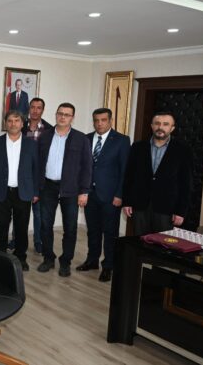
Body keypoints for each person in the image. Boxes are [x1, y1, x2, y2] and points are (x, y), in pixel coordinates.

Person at [37, 102, 92, 277]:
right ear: (56, 114)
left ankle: (65, 261)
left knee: (70, 227)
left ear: (72, 118)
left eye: (67, 115)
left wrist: (84, 191)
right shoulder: (44, 136)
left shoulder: (81, 139)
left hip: (71, 188)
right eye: (60, 113)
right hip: (47, 187)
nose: (63, 117)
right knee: (45, 225)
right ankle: (48, 258)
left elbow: (87, 167)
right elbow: (37, 163)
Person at [77, 108, 130, 282]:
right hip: (89, 194)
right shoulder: (86, 139)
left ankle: (108, 266)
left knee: (110, 232)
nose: (99, 123)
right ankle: (92, 260)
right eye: (96, 120)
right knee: (92, 230)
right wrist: (82, 191)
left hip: (110, 196)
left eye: (103, 120)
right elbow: (82, 167)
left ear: (110, 121)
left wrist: (120, 195)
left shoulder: (121, 140)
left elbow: (124, 171)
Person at [122, 112, 193, 235]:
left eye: (166, 124)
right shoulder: (138, 147)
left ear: (172, 128)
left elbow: (186, 183)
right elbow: (129, 176)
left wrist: (181, 211)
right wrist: (126, 202)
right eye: (157, 123)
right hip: (139, 206)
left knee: (162, 244)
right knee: (140, 241)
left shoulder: (183, 150)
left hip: (166, 208)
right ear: (152, 126)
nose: (160, 127)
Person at [0, 110, 39, 271]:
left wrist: (36, 192)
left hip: (23, 191)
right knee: (1, 226)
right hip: (1, 191)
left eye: (17, 121)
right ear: (5, 123)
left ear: (22, 124)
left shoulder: (32, 145)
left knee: (21, 227)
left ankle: (21, 258)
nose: (13, 124)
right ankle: (1, 257)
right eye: (10, 120)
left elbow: (37, 169)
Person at [18, 97, 53, 254]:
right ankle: (17, 240)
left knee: (39, 214)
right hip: (22, 176)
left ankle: (38, 241)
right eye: (32, 107)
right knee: (20, 213)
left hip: (40, 177)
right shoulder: (20, 126)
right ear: (29, 108)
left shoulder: (49, 130)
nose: (35, 110)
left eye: (39, 108)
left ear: (43, 110)